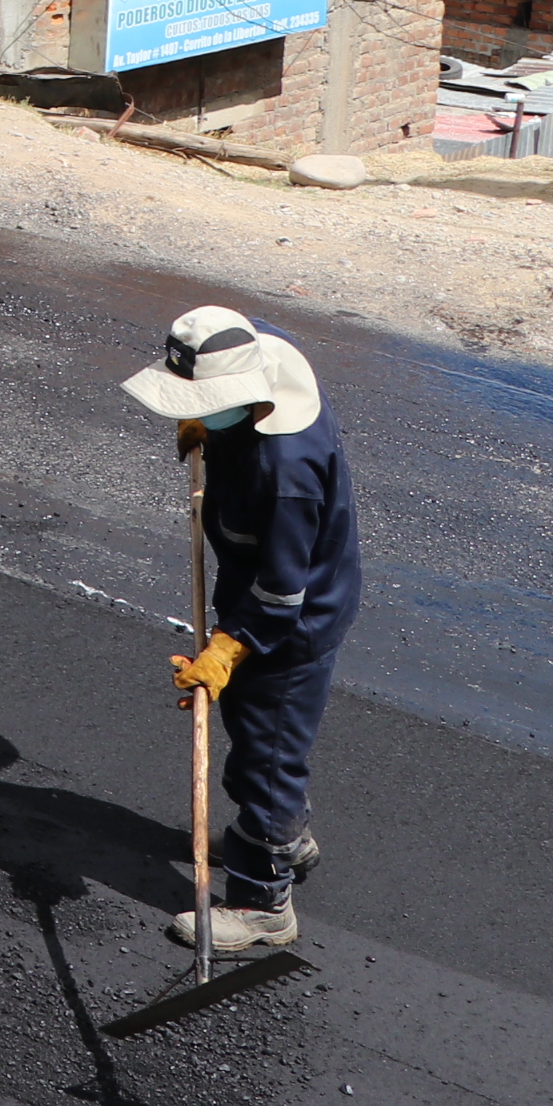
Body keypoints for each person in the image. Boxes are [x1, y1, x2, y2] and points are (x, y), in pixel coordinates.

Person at [117, 307, 359, 954]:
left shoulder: (287, 478)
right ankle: (282, 835)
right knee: (257, 734)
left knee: (268, 756)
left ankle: (263, 901)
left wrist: (226, 649)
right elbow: (227, 349)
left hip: (293, 619)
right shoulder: (259, 352)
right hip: (259, 586)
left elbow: (281, 594)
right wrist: (206, 425)